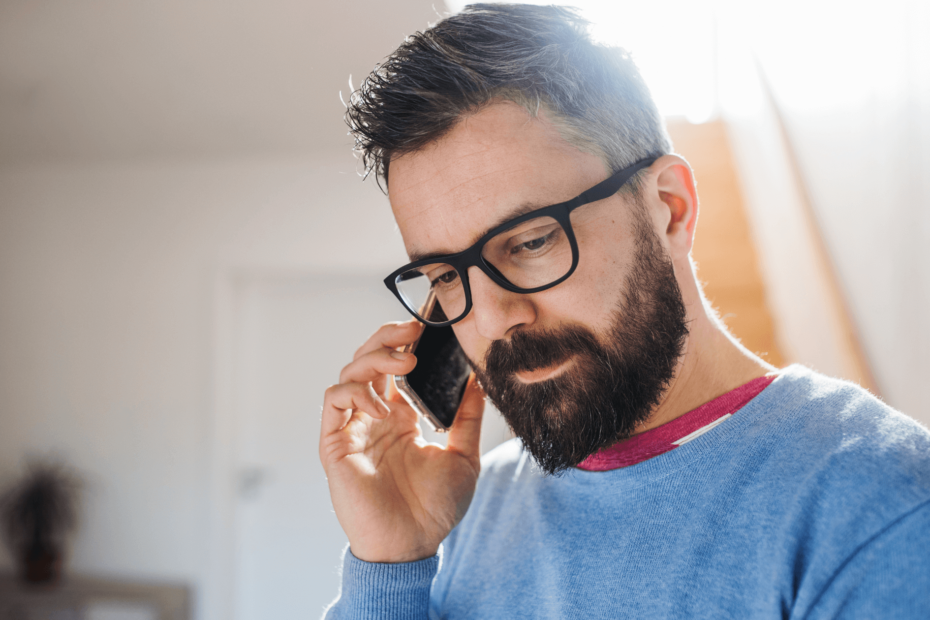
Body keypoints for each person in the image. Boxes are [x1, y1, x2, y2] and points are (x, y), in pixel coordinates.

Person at [319, 4, 930, 618]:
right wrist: (390, 567)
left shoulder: (876, 505)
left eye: (532, 242)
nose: (493, 317)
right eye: (448, 276)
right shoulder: (458, 511)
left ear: (669, 207)